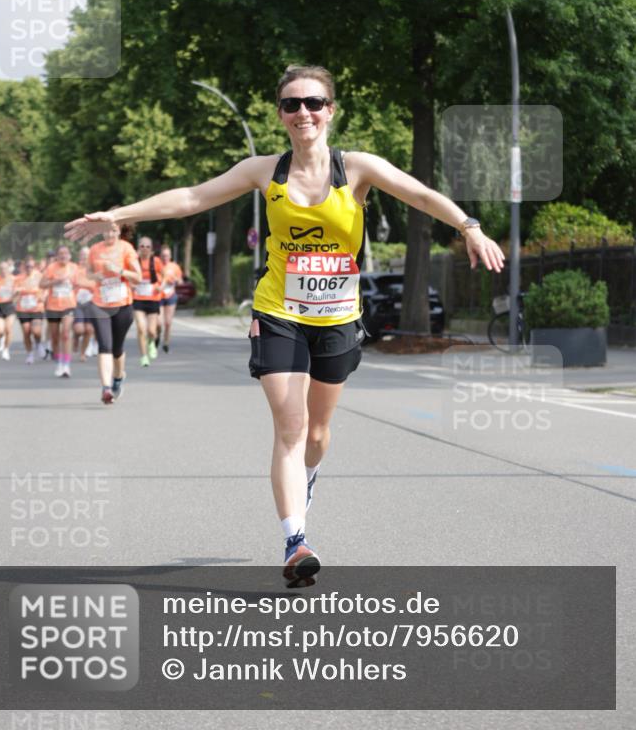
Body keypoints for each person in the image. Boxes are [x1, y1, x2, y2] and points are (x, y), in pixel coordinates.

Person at [65, 65, 505, 586]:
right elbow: (191, 198)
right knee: (290, 425)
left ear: (331, 111)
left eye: (314, 103)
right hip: (279, 312)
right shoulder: (263, 170)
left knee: (317, 433)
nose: (304, 113)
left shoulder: (357, 168)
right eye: (293, 105)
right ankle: (296, 541)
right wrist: (118, 213)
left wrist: (469, 226)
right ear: (280, 114)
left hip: (339, 317)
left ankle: (307, 477)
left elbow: (421, 195)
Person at [85, 220, 141, 404]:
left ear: (119, 231)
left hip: (122, 304)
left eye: (113, 231)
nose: (109, 235)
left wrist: (119, 270)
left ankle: (118, 379)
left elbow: (138, 277)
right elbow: (88, 273)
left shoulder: (127, 248)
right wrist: (96, 276)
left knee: (117, 349)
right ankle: (106, 388)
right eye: (106, 231)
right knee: (105, 346)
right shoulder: (94, 249)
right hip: (100, 303)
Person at [40, 245, 79, 378]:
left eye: (66, 253)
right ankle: (59, 362)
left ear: (70, 255)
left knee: (66, 333)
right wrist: (55, 281)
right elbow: (41, 284)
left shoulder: (74, 268)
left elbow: (81, 282)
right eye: (60, 253)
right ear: (57, 256)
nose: (63, 255)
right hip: (52, 306)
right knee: (55, 337)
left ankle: (66, 365)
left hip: (69, 305)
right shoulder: (51, 268)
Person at [132, 237, 163, 368]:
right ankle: (144, 356)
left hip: (153, 298)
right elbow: (127, 275)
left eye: (147, 246)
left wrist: (161, 285)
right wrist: (130, 284)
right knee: (140, 328)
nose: (144, 248)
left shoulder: (156, 261)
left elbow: (164, 275)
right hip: (138, 298)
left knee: (151, 331)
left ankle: (152, 341)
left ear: (151, 249)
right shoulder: (134, 261)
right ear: (138, 248)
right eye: (142, 246)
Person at [12, 256, 45, 364]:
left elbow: (46, 289)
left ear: (34, 266)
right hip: (23, 308)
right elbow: (13, 294)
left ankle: (39, 343)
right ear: (24, 267)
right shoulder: (19, 278)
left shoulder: (40, 276)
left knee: (36, 331)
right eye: (27, 266)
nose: (29, 268)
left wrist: (43, 296)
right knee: (26, 331)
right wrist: (16, 292)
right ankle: (30, 354)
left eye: (31, 266)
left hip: (36, 308)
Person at [73, 246, 97, 361]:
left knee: (89, 330)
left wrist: (83, 284)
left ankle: (82, 352)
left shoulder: (94, 270)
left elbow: (96, 285)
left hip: (90, 302)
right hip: (77, 302)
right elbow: (73, 283)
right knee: (79, 330)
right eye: (82, 255)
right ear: (79, 256)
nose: (84, 258)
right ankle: (76, 336)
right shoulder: (74, 269)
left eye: (86, 256)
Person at [159, 245, 183, 353]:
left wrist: (176, 280)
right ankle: (157, 335)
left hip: (170, 295)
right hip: (158, 296)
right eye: (163, 256)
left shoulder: (174, 266)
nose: (165, 258)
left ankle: (166, 342)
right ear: (160, 256)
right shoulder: (156, 266)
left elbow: (180, 281)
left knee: (168, 322)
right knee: (158, 323)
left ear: (170, 256)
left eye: (167, 256)